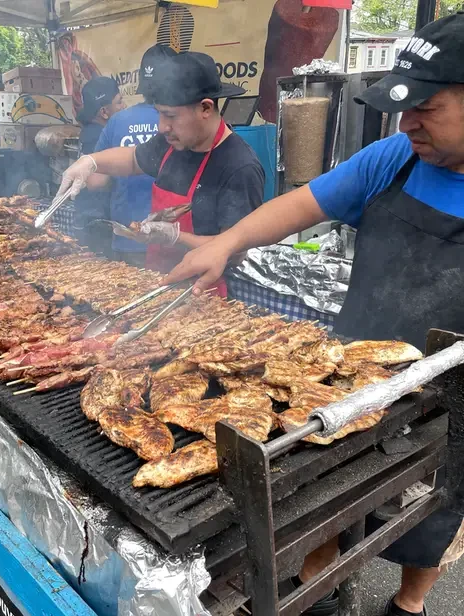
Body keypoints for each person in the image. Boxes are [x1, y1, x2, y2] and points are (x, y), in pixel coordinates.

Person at [164, 13, 464, 616]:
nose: (407, 123)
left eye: (425, 108)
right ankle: (317, 579)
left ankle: (409, 603)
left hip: (453, 385)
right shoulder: (394, 158)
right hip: (353, 369)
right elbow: (302, 203)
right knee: (328, 487)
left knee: (442, 501)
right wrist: (227, 242)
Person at [57, 51, 265, 296]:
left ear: (206, 108)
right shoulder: (172, 142)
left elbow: (235, 251)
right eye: (159, 113)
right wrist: (91, 161)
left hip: (202, 298)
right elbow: (133, 158)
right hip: (157, 283)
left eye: (171, 116)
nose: (161, 126)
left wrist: (175, 236)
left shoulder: (239, 167)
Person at [93, 44, 177, 268]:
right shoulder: (180, 120)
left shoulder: (118, 120)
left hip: (127, 236)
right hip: (172, 241)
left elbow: (96, 180)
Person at [73, 77, 125, 256]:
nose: (123, 106)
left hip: (91, 217)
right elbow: (95, 182)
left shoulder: (90, 131)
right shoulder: (97, 136)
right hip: (95, 221)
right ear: (104, 112)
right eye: (119, 102)